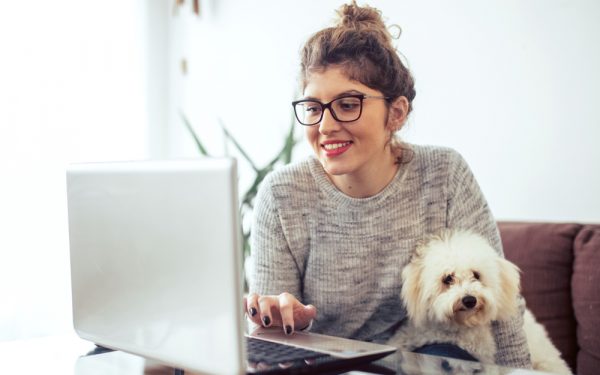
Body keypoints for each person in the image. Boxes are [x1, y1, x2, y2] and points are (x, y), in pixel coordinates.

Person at [244, 1, 531, 368]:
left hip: (426, 356)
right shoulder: (282, 195)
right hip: (327, 364)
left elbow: (502, 302)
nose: (326, 126)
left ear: (396, 113)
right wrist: (279, 320)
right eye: (314, 108)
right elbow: (271, 341)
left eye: (348, 105)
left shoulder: (444, 173)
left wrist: (520, 371)